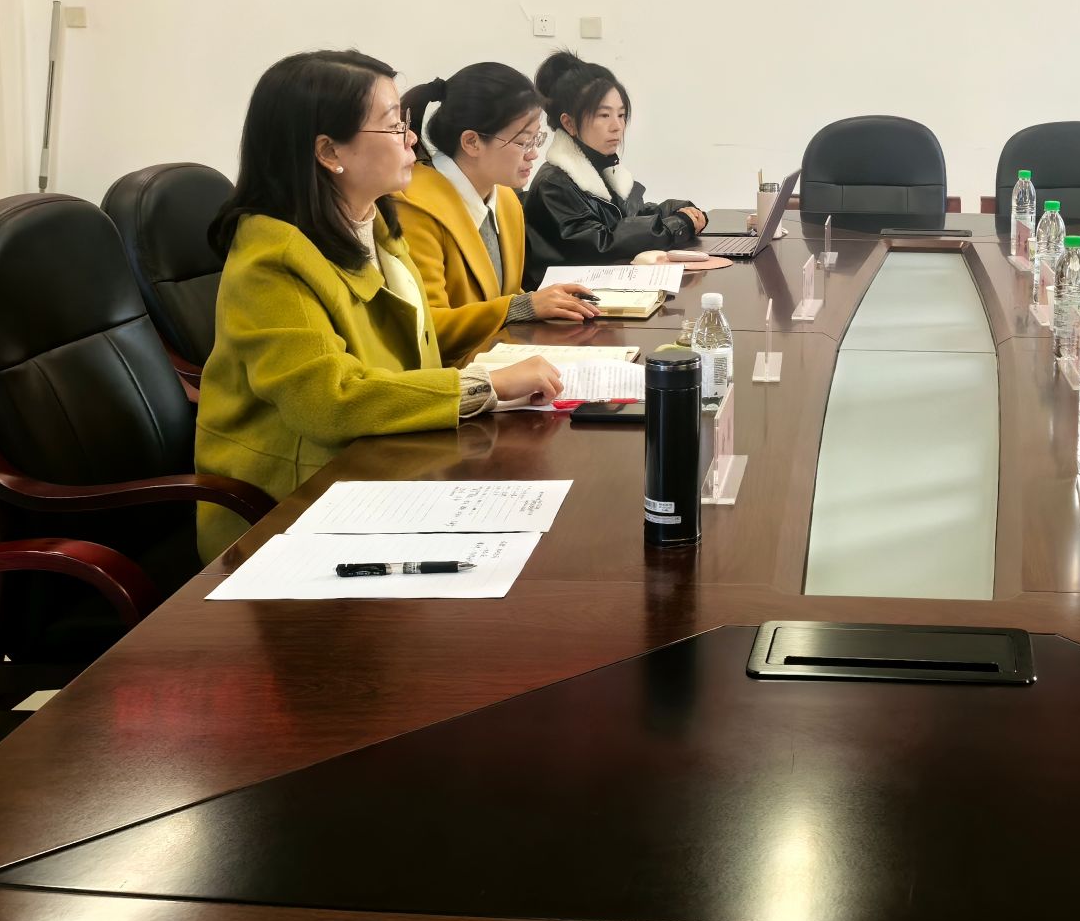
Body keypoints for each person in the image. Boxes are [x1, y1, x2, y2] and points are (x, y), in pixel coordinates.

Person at [196, 51, 564, 558]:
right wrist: (485, 386)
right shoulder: (273, 258)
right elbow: (328, 400)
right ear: (329, 151)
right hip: (295, 508)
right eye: (393, 127)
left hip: (389, 466)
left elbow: (418, 356)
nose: (412, 140)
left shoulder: (376, 226)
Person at [394, 64, 601, 367]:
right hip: (452, 381)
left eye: (536, 139)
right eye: (522, 141)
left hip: (499, 363)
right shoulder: (415, 206)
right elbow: (428, 328)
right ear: (472, 142)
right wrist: (522, 306)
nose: (533, 154)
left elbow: (506, 296)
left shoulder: (505, 198)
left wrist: (544, 303)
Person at [524, 50, 707, 284]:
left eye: (621, 115)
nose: (617, 126)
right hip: (575, 301)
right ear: (569, 123)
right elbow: (603, 244)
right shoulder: (554, 184)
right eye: (604, 115)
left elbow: (629, 218)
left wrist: (679, 211)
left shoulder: (601, 171)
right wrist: (676, 226)